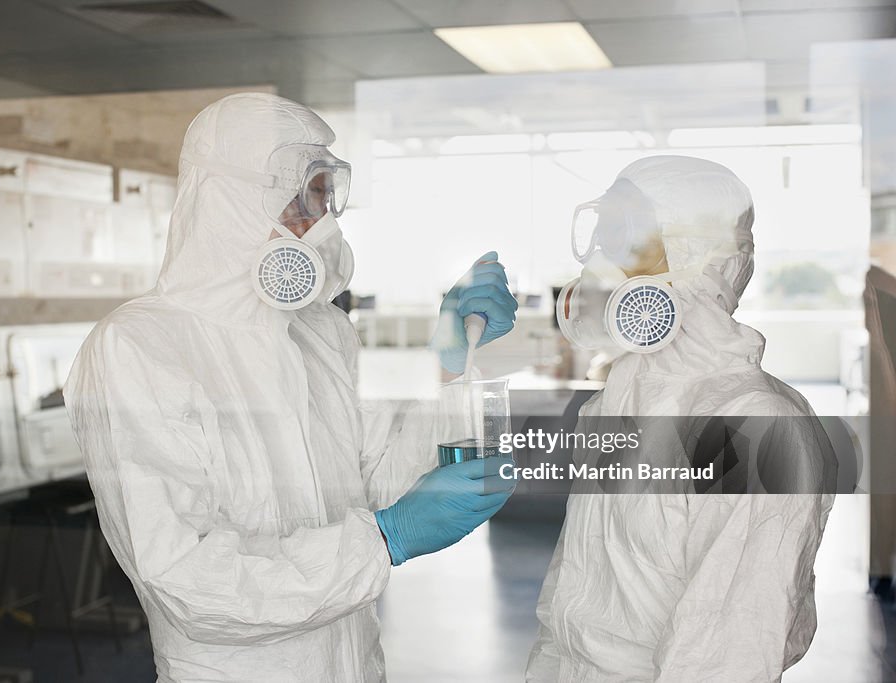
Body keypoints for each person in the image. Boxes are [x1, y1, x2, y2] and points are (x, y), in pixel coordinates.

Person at [63, 92, 517, 682]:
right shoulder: (139, 346)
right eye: (304, 196)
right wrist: (384, 539)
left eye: (328, 196)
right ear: (227, 200)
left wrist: (449, 360)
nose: (321, 221)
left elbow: (379, 482)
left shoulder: (322, 331)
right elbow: (186, 583)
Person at [529, 155, 836, 682]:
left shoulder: (755, 426)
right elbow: (573, 592)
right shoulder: (621, 399)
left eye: (626, 238)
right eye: (602, 236)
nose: (602, 261)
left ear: (700, 256)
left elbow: (729, 653)